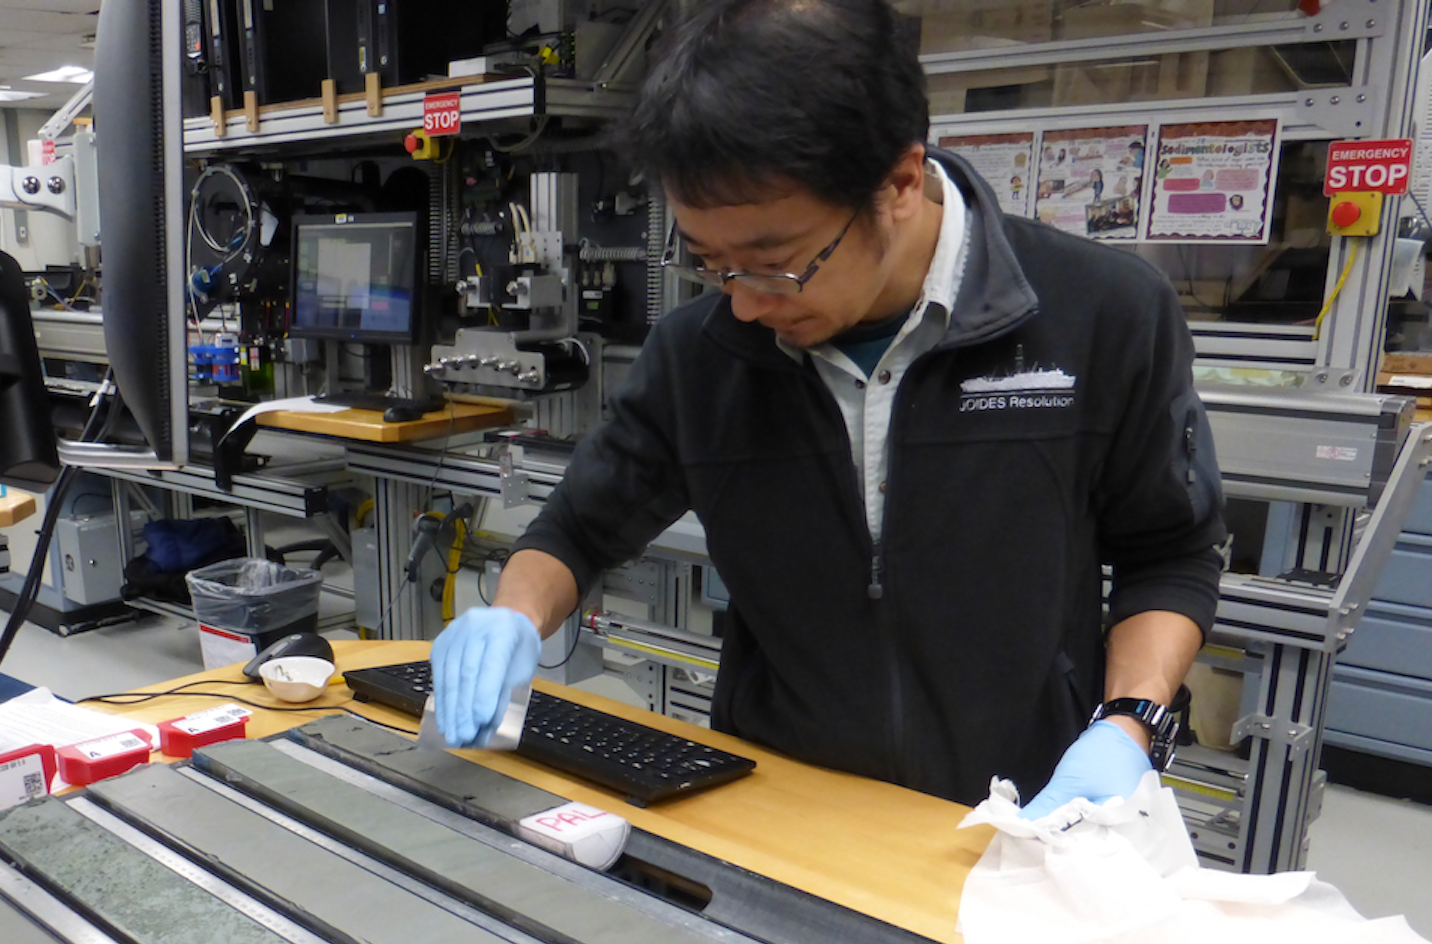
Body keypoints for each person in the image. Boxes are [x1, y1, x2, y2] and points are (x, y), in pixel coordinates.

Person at [429, 0, 1224, 819]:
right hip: (784, 813)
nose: (740, 304)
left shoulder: (1103, 313)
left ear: (901, 183)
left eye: (775, 264)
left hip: (1022, 815)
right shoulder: (702, 355)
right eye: (710, 264)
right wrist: (515, 617)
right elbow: (578, 529)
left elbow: (1170, 552)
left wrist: (1129, 722)